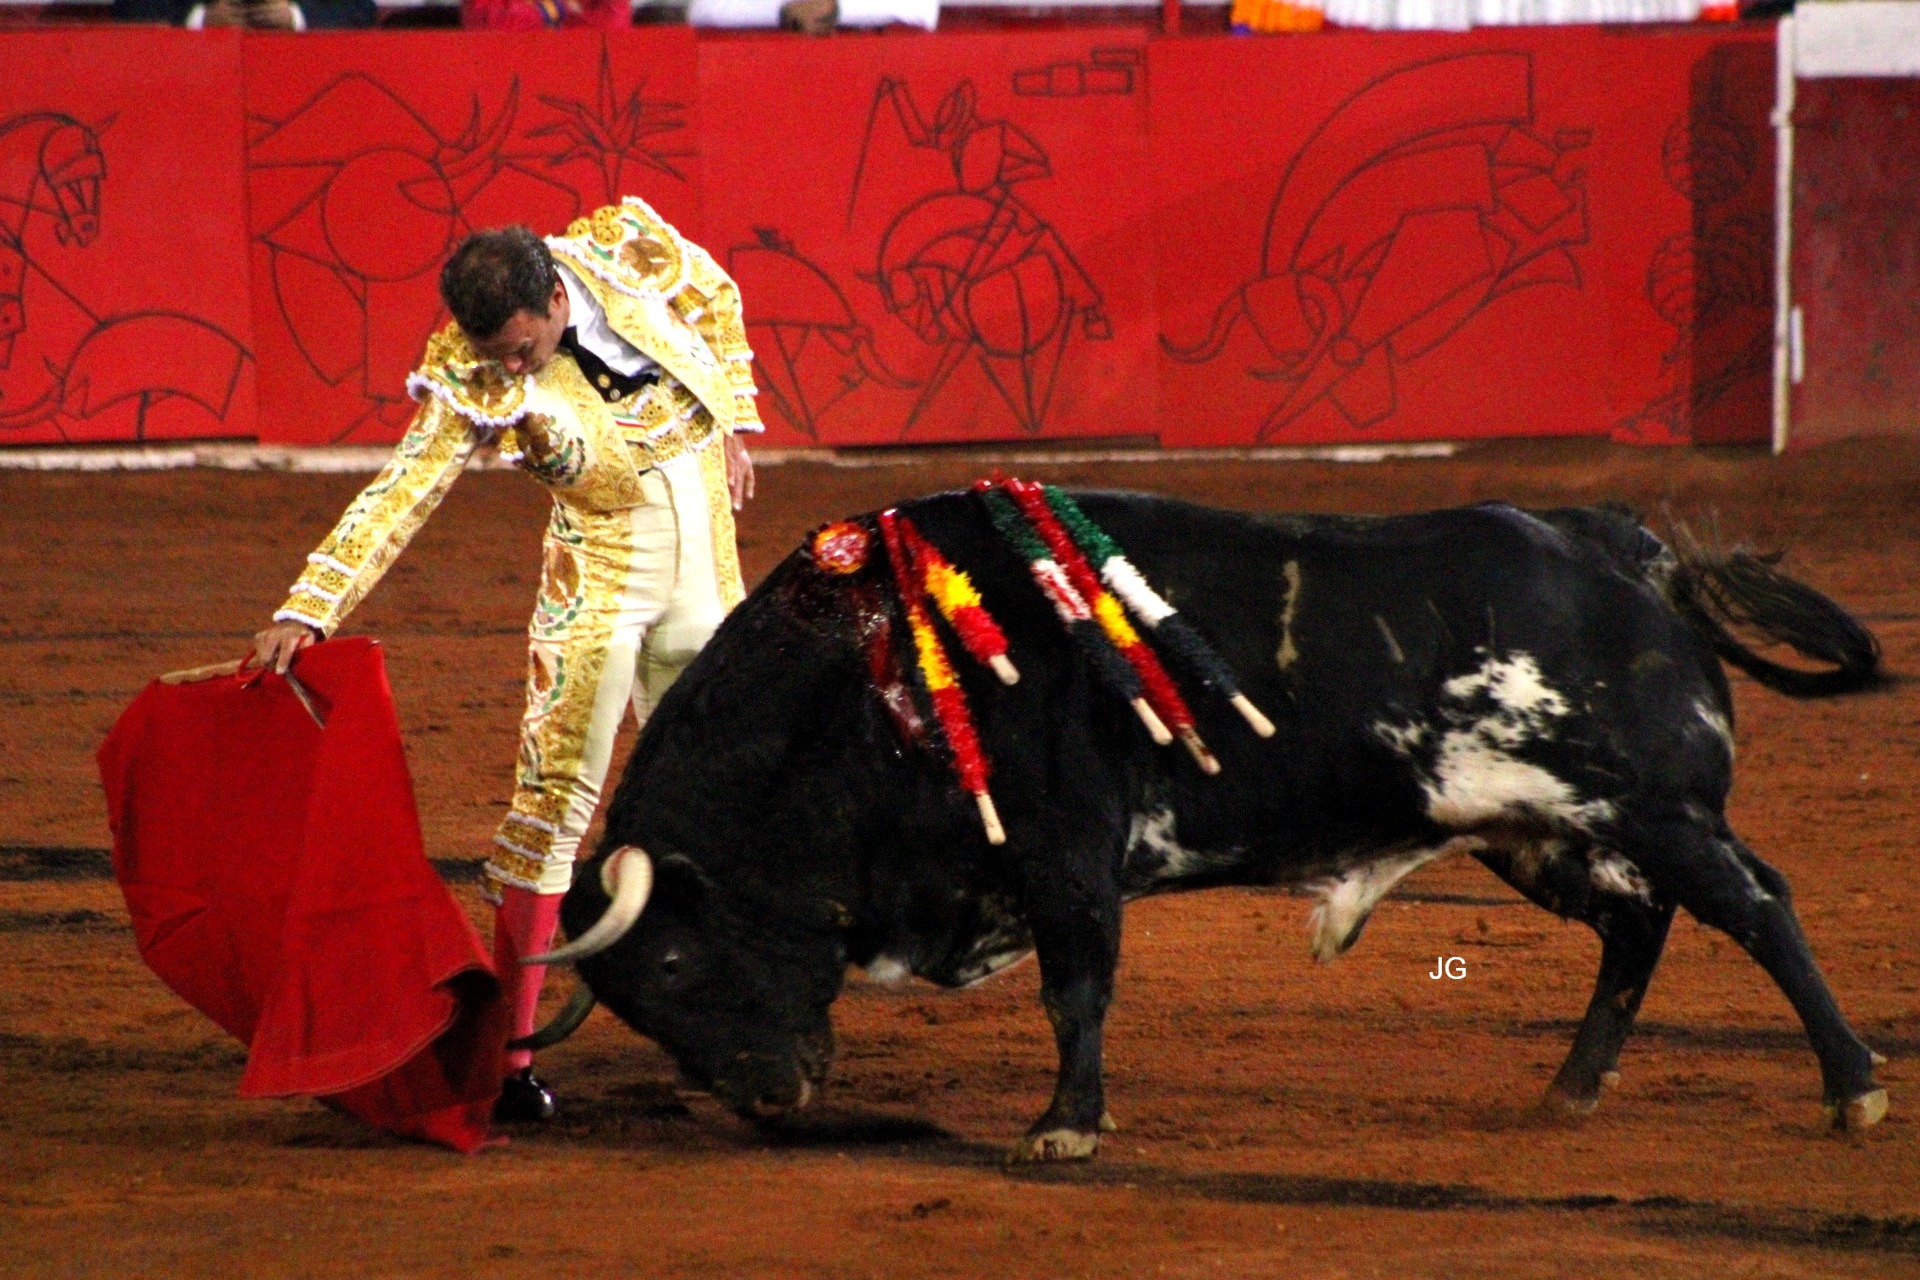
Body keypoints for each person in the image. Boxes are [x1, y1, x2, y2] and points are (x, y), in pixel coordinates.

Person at [251, 199, 762, 1124]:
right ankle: (514, 1058)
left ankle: (713, 1035)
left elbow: (716, 293)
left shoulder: (625, 247)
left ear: (557, 297)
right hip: (598, 586)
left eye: (522, 350)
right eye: (497, 356)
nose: (511, 371)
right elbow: (405, 486)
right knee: (552, 806)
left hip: (708, 576)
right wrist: (309, 605)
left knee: (721, 806)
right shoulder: (471, 368)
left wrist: (728, 418)